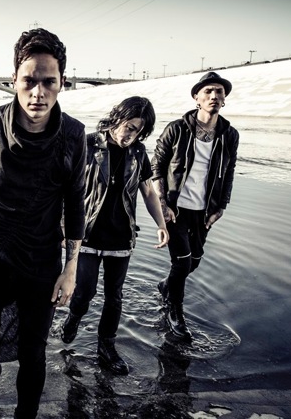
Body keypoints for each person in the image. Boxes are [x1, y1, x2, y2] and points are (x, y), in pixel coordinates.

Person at [0, 28, 87, 418]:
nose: (38, 92)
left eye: (49, 82)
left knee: (34, 351)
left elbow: (75, 205)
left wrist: (71, 269)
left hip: (40, 258)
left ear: (61, 83)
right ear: (14, 81)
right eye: (29, 81)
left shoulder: (73, 135)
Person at [60, 96, 169, 375]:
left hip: (121, 236)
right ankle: (73, 318)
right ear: (117, 118)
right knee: (84, 292)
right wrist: (61, 226)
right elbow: (64, 187)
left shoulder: (138, 153)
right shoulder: (87, 144)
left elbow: (148, 191)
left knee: (114, 296)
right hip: (87, 234)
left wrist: (161, 224)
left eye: (138, 131)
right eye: (129, 127)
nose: (131, 135)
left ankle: (106, 347)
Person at [152, 72, 239, 341]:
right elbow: (156, 166)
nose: (214, 96)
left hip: (204, 210)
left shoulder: (229, 134)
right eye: (208, 91)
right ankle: (175, 312)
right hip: (175, 208)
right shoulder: (177, 129)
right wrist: (162, 203)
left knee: (195, 261)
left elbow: (229, 171)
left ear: (224, 99)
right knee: (181, 262)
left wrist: (221, 206)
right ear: (196, 98)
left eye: (219, 92)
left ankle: (166, 286)